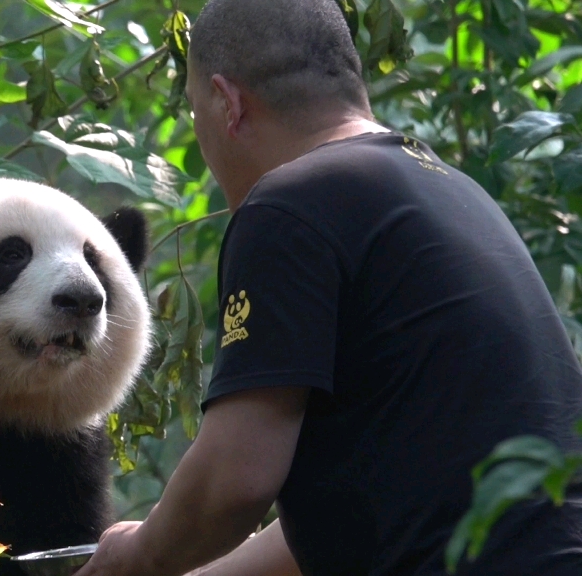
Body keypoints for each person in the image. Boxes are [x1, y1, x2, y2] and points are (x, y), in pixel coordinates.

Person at [75, 0, 582, 574]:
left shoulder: (291, 204)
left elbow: (236, 479)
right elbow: (358, 514)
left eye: (195, 110)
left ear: (227, 102)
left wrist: (135, 557)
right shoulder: (446, 188)